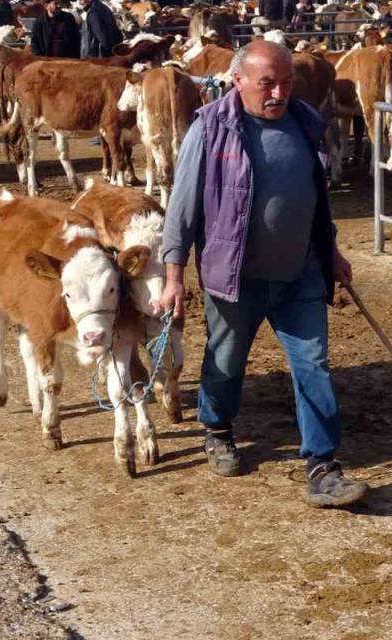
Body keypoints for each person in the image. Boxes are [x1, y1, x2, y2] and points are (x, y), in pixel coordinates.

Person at [160, 41, 368, 508]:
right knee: (226, 360)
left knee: (313, 365)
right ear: (238, 80)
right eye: (267, 83)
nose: (278, 93)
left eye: (286, 83)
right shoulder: (211, 128)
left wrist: (330, 250)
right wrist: (174, 276)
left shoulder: (304, 122)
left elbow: (316, 200)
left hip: (301, 273)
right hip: (235, 277)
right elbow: (183, 209)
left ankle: (322, 465)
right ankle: (216, 429)